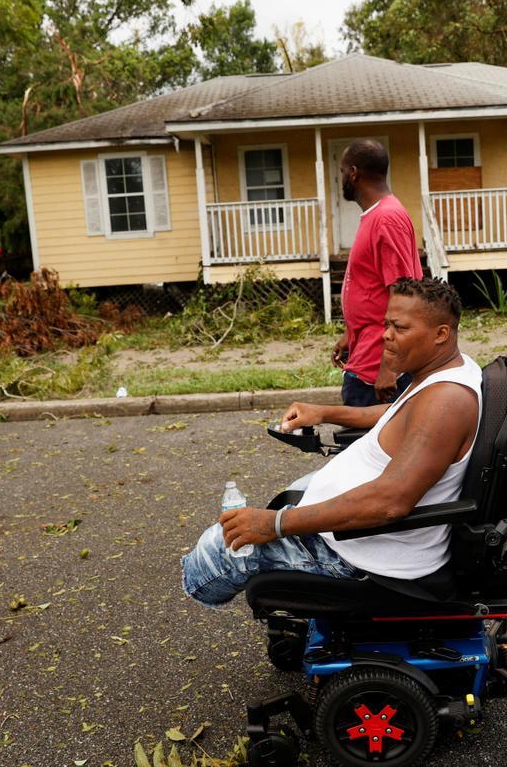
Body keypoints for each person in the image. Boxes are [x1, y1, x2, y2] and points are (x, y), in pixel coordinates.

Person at [181, 278, 481, 607]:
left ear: (441, 334)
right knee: (257, 517)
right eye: (386, 324)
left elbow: (391, 501)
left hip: (364, 556)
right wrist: (323, 412)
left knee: (220, 549)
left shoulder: (446, 401)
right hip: (356, 536)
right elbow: (399, 413)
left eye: (399, 327)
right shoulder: (446, 372)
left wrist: (276, 524)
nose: (386, 335)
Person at [333, 139, 424, 406]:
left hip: (376, 371)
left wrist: (389, 367)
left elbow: (404, 296)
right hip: (366, 354)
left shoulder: (386, 218)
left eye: (341, 172)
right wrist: (351, 334)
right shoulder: (376, 215)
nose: (342, 179)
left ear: (353, 172)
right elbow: (374, 289)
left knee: (369, 447)